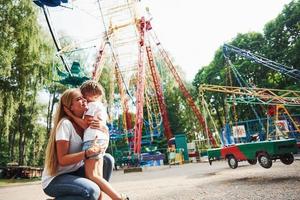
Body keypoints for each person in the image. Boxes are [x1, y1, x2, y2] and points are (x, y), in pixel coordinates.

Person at [42, 88, 114, 200]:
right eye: (79, 99)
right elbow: (62, 159)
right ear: (70, 107)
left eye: (84, 98)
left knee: (107, 160)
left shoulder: (86, 125)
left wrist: (103, 127)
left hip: (75, 172)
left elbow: (101, 139)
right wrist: (86, 153)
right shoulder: (65, 124)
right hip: (56, 179)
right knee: (91, 191)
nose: (84, 100)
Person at [65, 80, 128, 200]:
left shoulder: (92, 105)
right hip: (100, 139)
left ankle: (119, 198)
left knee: (92, 175)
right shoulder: (100, 106)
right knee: (98, 176)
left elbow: (85, 124)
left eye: (83, 97)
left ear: (89, 95)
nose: (83, 100)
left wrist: (71, 115)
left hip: (92, 141)